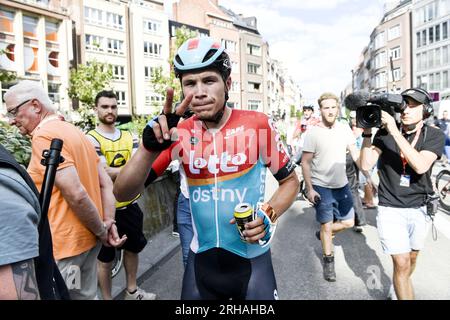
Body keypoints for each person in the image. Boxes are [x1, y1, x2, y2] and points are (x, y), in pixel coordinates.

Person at [114, 37, 299, 300]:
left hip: (252, 262)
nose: (199, 92)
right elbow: (122, 193)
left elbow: (291, 182)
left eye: (209, 81)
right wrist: (147, 149)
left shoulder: (257, 125)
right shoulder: (177, 131)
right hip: (201, 265)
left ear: (228, 84)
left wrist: (268, 213)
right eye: (190, 83)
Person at [4, 81, 126, 300]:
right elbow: (105, 183)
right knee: (86, 296)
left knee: (68, 296)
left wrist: (102, 229)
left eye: (14, 111)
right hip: (87, 243)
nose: (12, 120)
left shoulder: (44, 135)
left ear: (35, 106)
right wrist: (108, 223)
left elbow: (76, 193)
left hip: (66, 246)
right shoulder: (75, 131)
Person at [359, 88, 445, 300]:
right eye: (403, 103)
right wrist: (368, 132)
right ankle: (401, 286)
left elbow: (420, 166)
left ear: (425, 110)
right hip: (390, 208)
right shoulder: (385, 133)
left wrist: (396, 133)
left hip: (420, 207)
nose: (405, 109)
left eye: (413, 105)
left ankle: (399, 282)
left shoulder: (434, 134)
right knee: (402, 262)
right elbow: (365, 164)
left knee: (411, 260)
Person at [86, 90, 156, 300]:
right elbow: (104, 173)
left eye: (114, 106)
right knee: (105, 258)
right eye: (105, 106)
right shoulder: (90, 138)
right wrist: (129, 169)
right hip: (105, 210)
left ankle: (132, 291)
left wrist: (129, 170)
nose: (110, 110)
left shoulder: (129, 136)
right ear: (95, 109)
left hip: (130, 206)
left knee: (133, 248)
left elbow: (139, 167)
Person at [301, 92, 359, 282]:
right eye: (326, 108)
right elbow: (306, 163)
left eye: (333, 107)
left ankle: (325, 233)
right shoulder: (313, 133)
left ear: (338, 108)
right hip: (322, 186)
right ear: (321, 110)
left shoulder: (344, 129)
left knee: (349, 223)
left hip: (342, 186)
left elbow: (357, 155)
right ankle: (328, 262)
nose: (330, 111)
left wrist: (369, 176)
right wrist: (310, 189)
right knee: (326, 225)